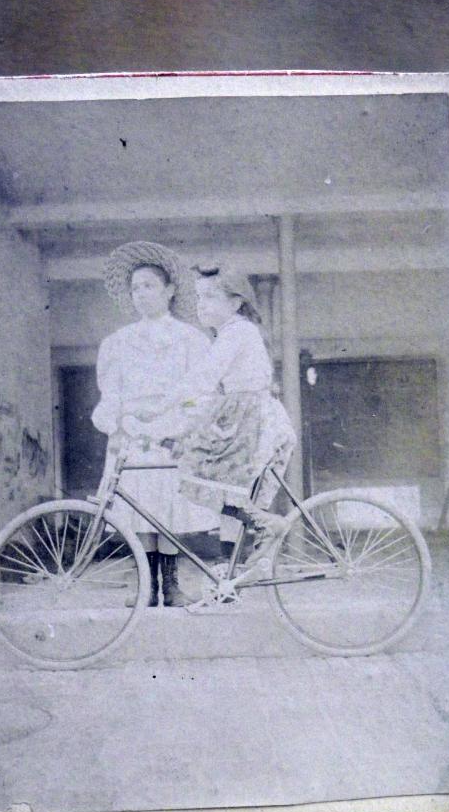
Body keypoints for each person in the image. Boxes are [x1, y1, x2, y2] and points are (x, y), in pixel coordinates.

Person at [137, 263, 297, 566]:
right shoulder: (228, 334)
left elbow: (202, 379)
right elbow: (209, 396)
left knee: (199, 474)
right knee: (225, 494)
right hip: (243, 417)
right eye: (199, 297)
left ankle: (266, 524)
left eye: (210, 297)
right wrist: (178, 428)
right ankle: (230, 572)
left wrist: (159, 408)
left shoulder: (239, 332)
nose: (201, 304)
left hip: (251, 421)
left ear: (235, 303)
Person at [92, 242, 217, 607]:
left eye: (149, 285)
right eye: (135, 288)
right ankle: (146, 585)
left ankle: (172, 585)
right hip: (133, 433)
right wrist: (118, 422)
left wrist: (182, 426)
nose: (141, 294)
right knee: (137, 506)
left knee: (169, 505)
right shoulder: (118, 343)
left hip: (173, 432)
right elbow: (111, 393)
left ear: (169, 290)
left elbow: (199, 393)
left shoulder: (191, 340)